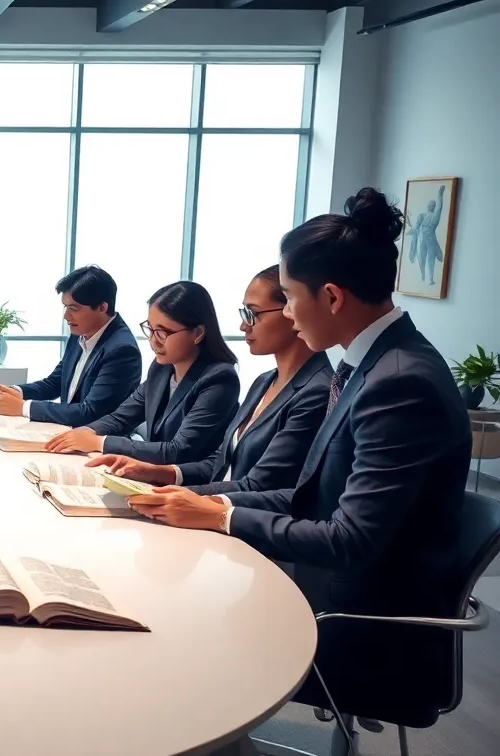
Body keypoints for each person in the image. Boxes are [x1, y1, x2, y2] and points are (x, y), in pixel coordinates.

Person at [129, 189, 471, 718]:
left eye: (287, 296)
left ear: (332, 297)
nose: (286, 312)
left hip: (359, 622)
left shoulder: (399, 382)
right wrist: (201, 503)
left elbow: (351, 540)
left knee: (170, 627)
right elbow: (312, 492)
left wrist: (222, 516)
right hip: (323, 586)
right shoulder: (370, 365)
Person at [88, 266, 331, 494]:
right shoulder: (263, 381)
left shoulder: (314, 390)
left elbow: (260, 486)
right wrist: (161, 473)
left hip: (241, 523)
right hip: (217, 505)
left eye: (253, 314)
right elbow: (221, 462)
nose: (243, 325)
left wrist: (180, 495)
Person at [44, 281, 239, 464]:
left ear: (197, 334)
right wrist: (85, 432)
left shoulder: (219, 379)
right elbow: (121, 417)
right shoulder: (161, 368)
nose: (153, 341)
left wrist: (98, 442)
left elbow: (178, 450)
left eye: (163, 332)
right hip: (148, 474)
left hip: (187, 489)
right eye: (150, 330)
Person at [0, 265, 140, 426]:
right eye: (65, 307)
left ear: (102, 308)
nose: (66, 316)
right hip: (66, 433)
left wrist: (23, 407)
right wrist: (16, 392)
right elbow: (54, 383)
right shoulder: (81, 332)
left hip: (95, 444)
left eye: (74, 308)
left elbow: (90, 412)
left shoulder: (122, 350)